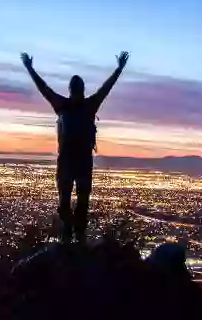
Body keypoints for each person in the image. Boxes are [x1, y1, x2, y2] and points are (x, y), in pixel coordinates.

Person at [20, 50, 129, 243]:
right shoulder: (81, 105)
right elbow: (106, 88)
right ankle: (70, 235)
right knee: (72, 202)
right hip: (75, 163)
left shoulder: (68, 105)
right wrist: (119, 68)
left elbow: (44, 88)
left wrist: (30, 68)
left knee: (77, 202)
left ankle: (73, 236)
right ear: (78, 89)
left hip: (73, 163)